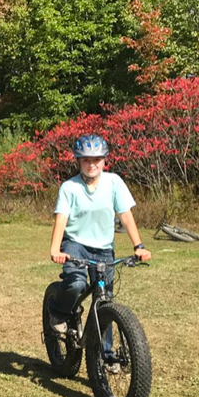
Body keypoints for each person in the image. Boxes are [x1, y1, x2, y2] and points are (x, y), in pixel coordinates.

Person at [48, 134, 152, 340]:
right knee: (76, 284)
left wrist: (138, 245)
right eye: (86, 160)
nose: (92, 164)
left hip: (104, 247)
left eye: (96, 160)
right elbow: (61, 219)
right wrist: (55, 249)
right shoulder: (69, 187)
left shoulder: (114, 182)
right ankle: (58, 314)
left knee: (104, 301)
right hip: (75, 244)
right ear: (78, 161)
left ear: (104, 160)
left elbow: (125, 215)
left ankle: (106, 355)